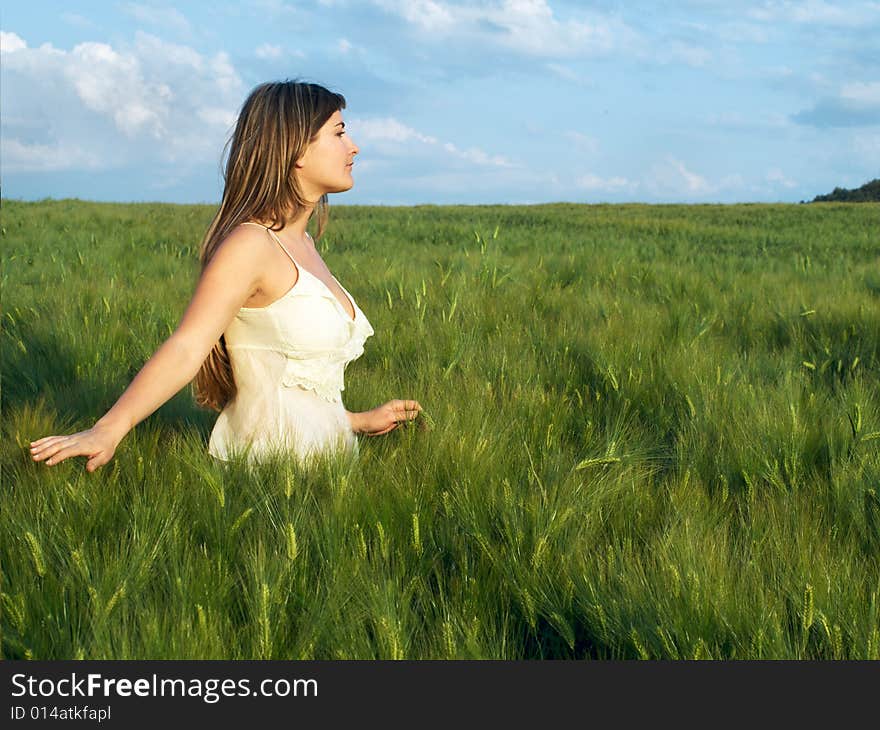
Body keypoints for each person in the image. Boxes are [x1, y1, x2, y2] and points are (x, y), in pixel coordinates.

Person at [29, 80, 423, 472]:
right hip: (269, 475)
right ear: (296, 148)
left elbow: (289, 385)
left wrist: (355, 421)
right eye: (338, 133)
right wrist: (108, 429)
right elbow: (188, 346)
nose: (353, 146)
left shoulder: (303, 245)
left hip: (324, 469)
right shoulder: (251, 245)